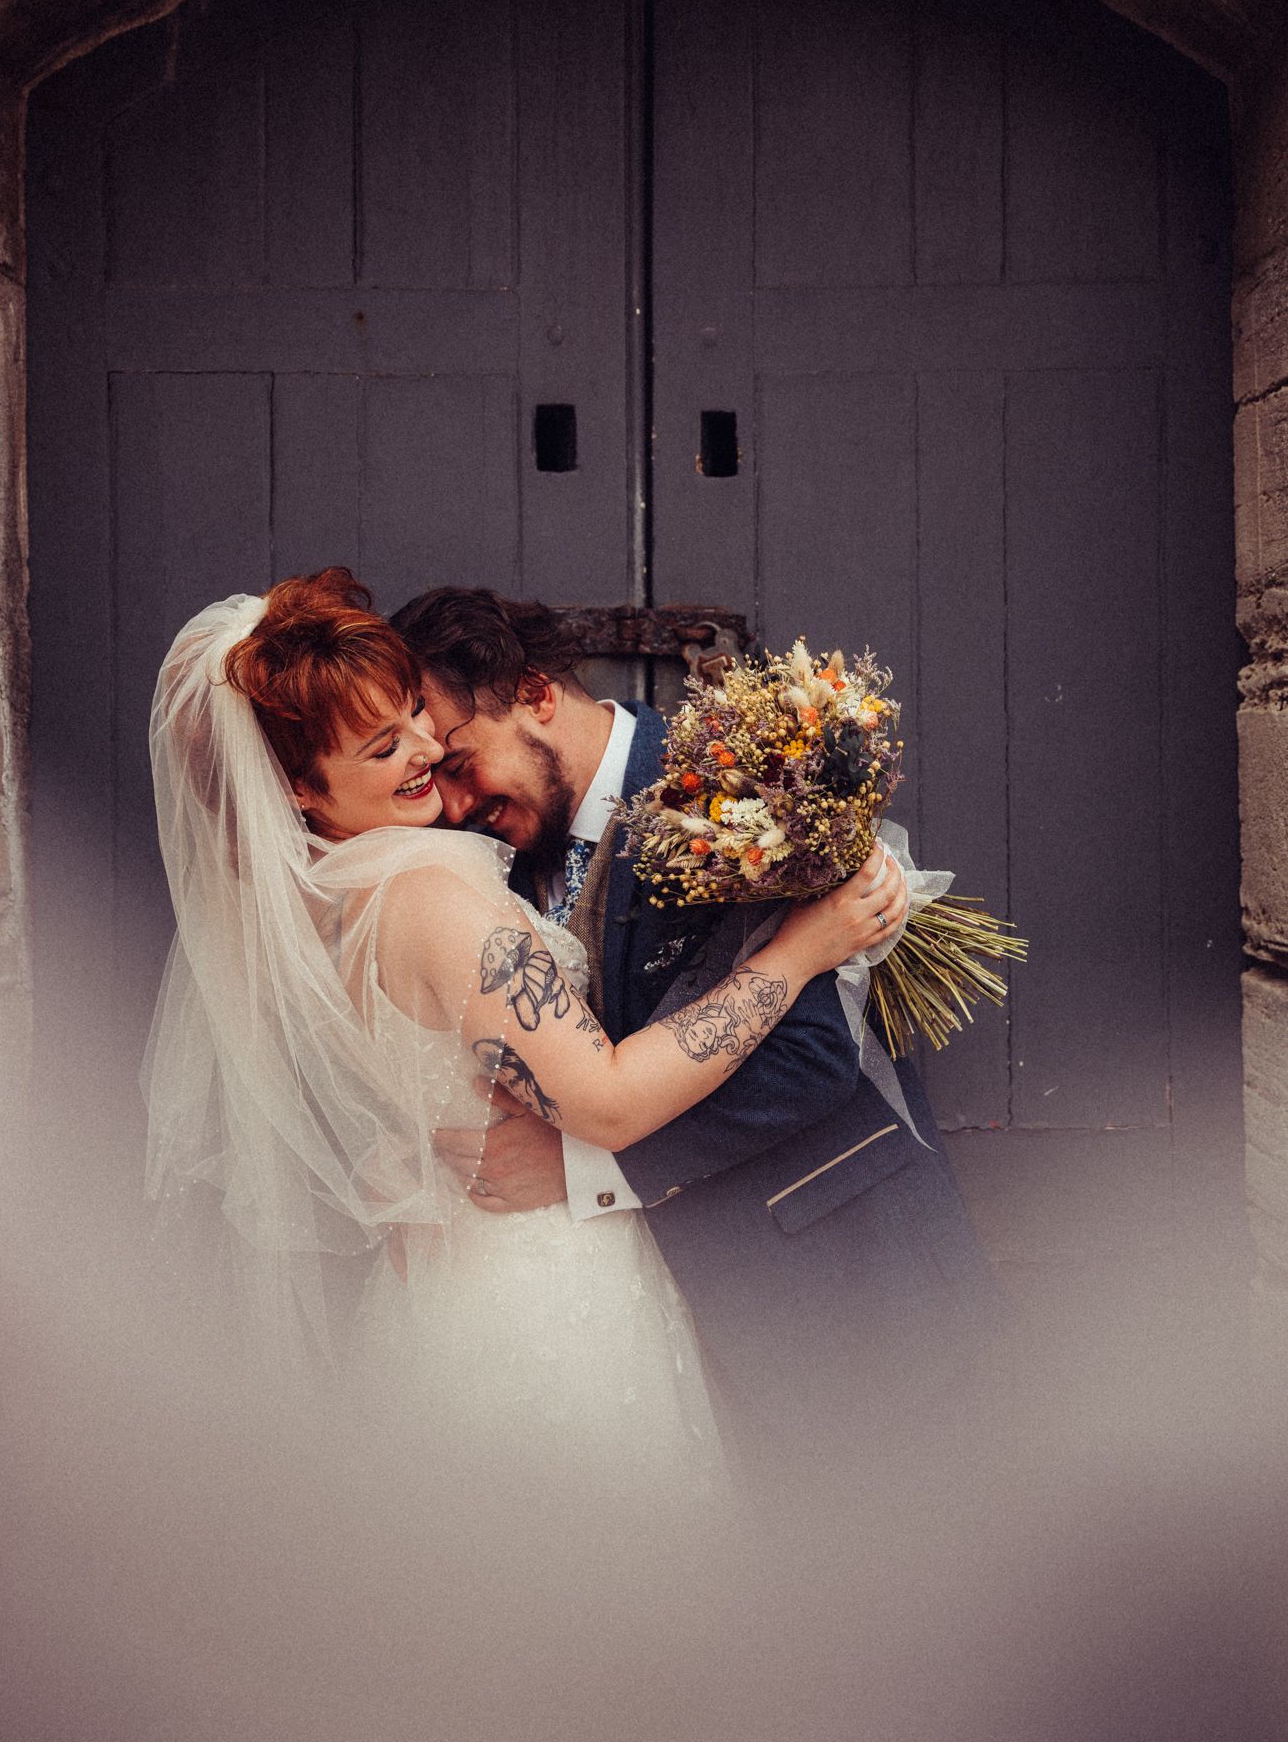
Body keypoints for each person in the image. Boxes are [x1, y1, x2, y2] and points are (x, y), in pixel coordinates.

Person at [142, 569, 906, 1503]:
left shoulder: (330, 902)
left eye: (419, 717)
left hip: (459, 1284)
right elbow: (609, 1100)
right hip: (540, 1297)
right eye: (386, 746)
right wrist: (799, 952)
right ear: (298, 791)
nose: (427, 750)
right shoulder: (427, 890)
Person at [390, 586, 1007, 1474]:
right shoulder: (485, 865)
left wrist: (579, 1165)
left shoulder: (735, 786)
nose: (449, 804)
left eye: (457, 762)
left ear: (531, 693)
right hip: (671, 1337)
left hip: (846, 1295)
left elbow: (809, 1057)